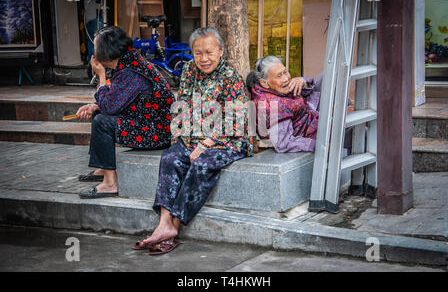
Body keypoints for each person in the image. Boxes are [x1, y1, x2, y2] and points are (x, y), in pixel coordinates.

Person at [133, 27, 253, 255]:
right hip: (194, 135)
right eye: (198, 53)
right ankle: (163, 224)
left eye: (209, 52)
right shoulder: (189, 70)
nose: (204, 58)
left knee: (202, 163)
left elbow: (235, 121)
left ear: (220, 51)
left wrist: (205, 144)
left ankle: (173, 228)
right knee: (170, 157)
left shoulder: (231, 78)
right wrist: (179, 137)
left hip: (229, 139)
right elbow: (183, 105)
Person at [76, 26, 174, 199]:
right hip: (147, 122)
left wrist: (101, 76)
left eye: (96, 47)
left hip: (156, 133)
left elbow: (110, 106)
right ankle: (103, 168)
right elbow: (116, 98)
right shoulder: (126, 62)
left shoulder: (130, 71)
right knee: (99, 114)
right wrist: (94, 105)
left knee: (102, 121)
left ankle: (110, 184)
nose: (93, 52)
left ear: (106, 51)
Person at [246, 56, 320, 153]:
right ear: (264, 83)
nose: (286, 79)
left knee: (326, 77)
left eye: (285, 72)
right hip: (311, 134)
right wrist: (319, 145)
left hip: (312, 118)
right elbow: (283, 144)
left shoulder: (277, 88)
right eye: (279, 76)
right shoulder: (272, 107)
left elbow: (308, 92)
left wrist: (303, 81)